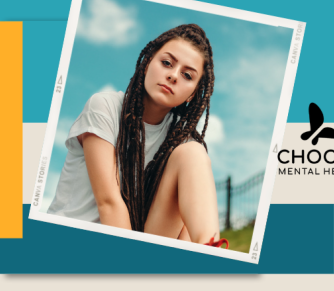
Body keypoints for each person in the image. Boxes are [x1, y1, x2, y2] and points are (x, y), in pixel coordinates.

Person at [48, 24, 227, 248]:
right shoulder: (104, 107)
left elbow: (183, 229)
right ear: (147, 64)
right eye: (166, 63)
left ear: (192, 94)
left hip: (138, 242)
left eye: (187, 75)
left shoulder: (181, 143)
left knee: (194, 153)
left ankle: (212, 252)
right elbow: (109, 203)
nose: (172, 76)